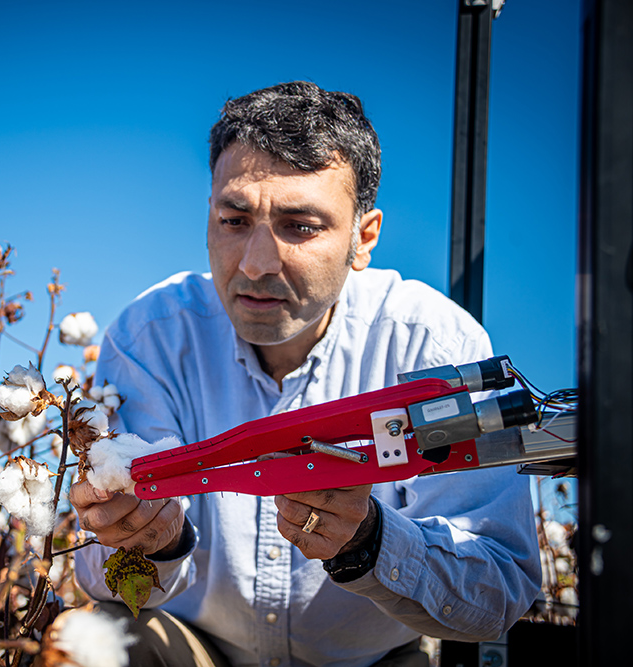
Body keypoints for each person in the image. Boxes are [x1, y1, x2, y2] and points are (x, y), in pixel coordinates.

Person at [70, 81, 541, 667]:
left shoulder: (436, 348)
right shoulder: (152, 338)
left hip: (371, 660)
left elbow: (501, 590)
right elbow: (97, 575)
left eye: (301, 225)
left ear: (362, 238)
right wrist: (153, 539)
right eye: (234, 219)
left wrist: (371, 543)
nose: (256, 264)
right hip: (197, 651)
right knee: (94, 646)